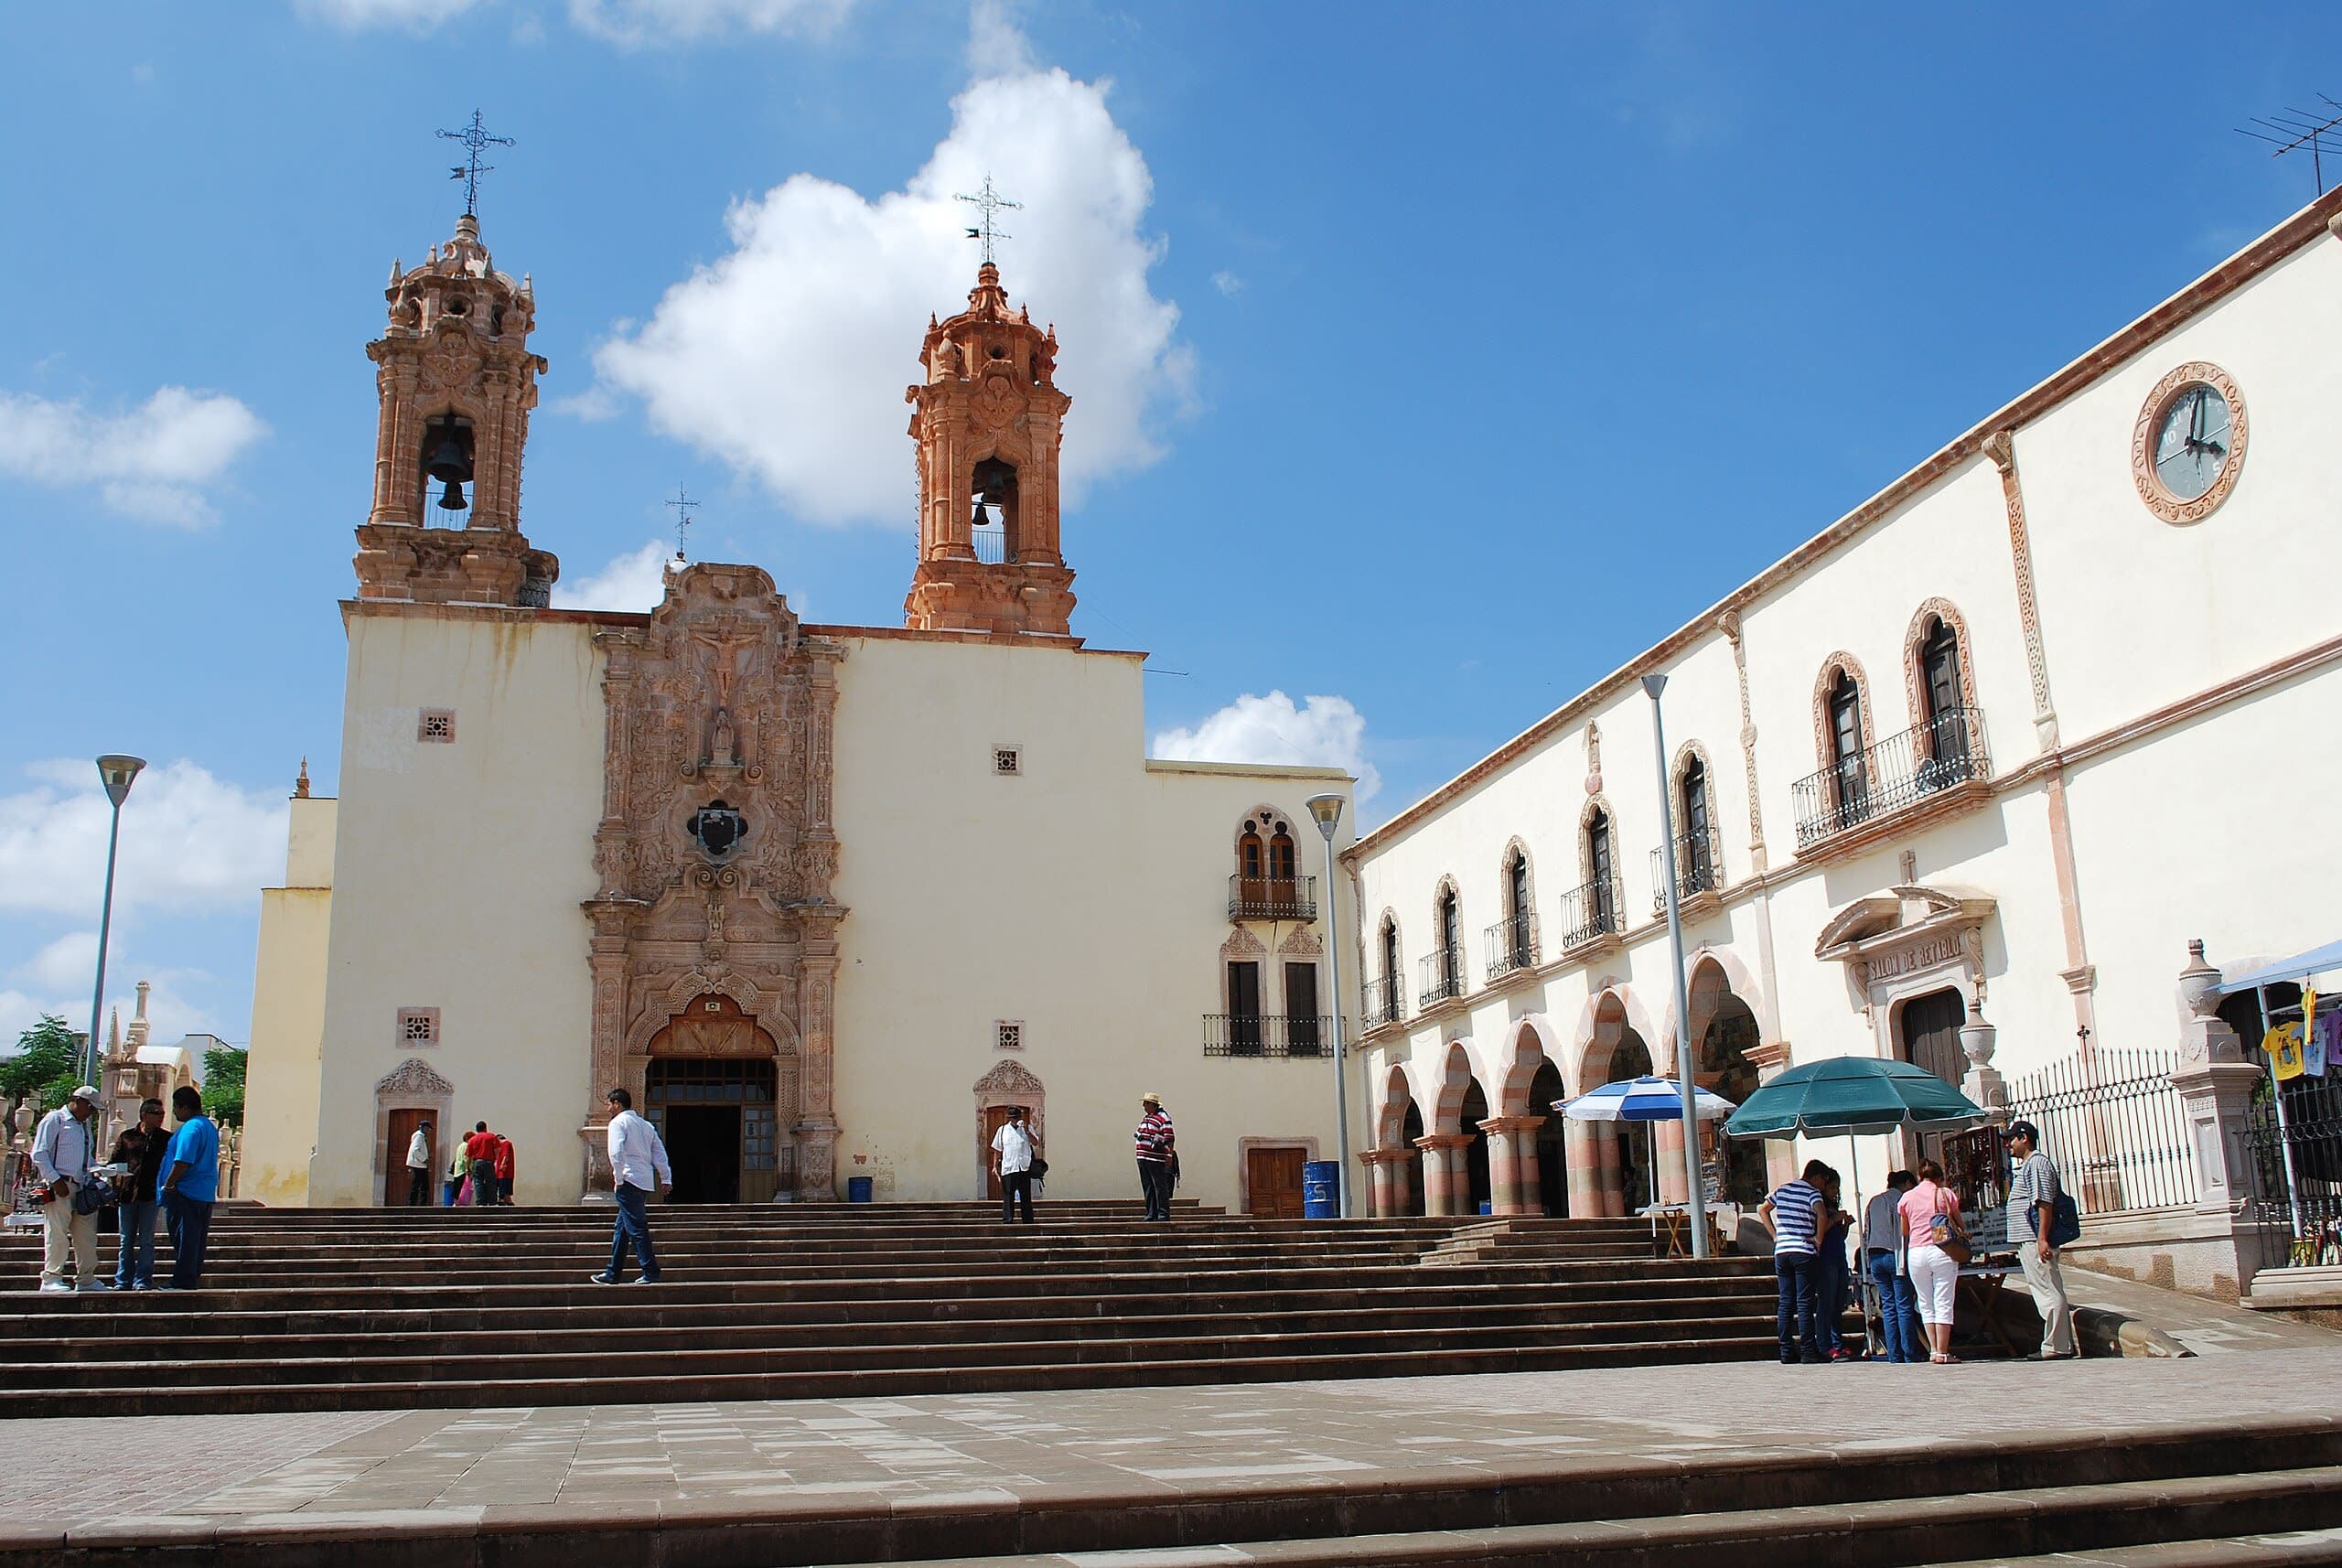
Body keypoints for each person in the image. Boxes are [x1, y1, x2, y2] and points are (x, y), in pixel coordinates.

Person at [2007, 1121, 2078, 1359]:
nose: (2009, 1144)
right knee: (2043, 1288)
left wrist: (2042, 1238)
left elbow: (2043, 1202)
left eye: (2012, 1139)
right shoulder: (2027, 1165)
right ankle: (2057, 1342)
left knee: (2047, 1289)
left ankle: (2056, 1345)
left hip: (2033, 1237)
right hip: (2027, 1238)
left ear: (2024, 1138)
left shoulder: (2037, 1163)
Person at [31, 1084, 107, 1294]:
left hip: (82, 1186)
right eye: (90, 1108)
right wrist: (56, 1180)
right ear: (79, 1101)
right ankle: (52, 1277)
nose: (91, 1114)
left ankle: (86, 1278)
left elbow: (86, 1158)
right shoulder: (55, 1119)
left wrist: (100, 1172)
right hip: (60, 1185)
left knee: (86, 1236)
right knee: (57, 1233)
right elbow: (39, 1153)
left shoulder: (83, 1127)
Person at [595, 1087, 670, 1284]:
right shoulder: (645, 1125)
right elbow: (659, 1152)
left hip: (628, 1180)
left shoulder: (618, 1123)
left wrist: (618, 1179)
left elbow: (616, 1153)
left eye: (610, 1103)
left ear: (617, 1104)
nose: (608, 1107)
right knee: (622, 1229)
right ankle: (612, 1273)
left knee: (636, 1228)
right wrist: (665, 1177)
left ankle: (651, 1270)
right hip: (643, 1180)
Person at [1899, 1156, 1966, 1365]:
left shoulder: (1907, 1198)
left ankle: (1934, 1350)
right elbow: (1959, 1224)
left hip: (1916, 1252)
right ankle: (1943, 1353)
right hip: (1942, 1249)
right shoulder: (1945, 1194)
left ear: (1919, 1177)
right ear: (1939, 1178)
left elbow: (1905, 1230)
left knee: (1925, 1301)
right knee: (1944, 1300)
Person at [1760, 1159, 1828, 1364]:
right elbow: (1822, 1214)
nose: (1823, 1186)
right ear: (1815, 1177)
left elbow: (1762, 1209)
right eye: (1823, 1181)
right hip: (1803, 1250)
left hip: (1782, 1251)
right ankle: (1808, 1349)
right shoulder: (1812, 1193)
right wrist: (1818, 1239)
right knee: (1805, 1301)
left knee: (1786, 1301)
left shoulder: (1783, 1189)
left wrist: (1774, 1235)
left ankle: (1786, 1350)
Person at [157, 1086, 220, 1291]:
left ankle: (183, 1280)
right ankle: (190, 1277)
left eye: (176, 1107)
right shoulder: (208, 1127)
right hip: (204, 1191)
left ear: (184, 1107)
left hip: (186, 1191)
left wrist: (169, 1184)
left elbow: (183, 1160)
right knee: (195, 1238)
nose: (175, 1113)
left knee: (184, 1238)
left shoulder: (191, 1128)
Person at [111, 1099, 170, 1291]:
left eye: (163, 1113)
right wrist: (115, 1186)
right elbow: (114, 1162)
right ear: (145, 1114)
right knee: (125, 1240)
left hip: (151, 1195)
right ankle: (123, 1280)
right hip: (128, 1194)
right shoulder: (127, 1136)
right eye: (157, 1113)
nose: (161, 1117)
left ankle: (143, 1279)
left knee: (147, 1240)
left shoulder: (166, 1139)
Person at [1863, 1170, 1921, 1364]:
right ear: (1906, 1183)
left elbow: (1866, 1230)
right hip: (1894, 1254)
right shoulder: (1903, 1200)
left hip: (1875, 1255)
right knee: (1903, 1305)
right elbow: (1904, 1232)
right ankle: (1909, 1353)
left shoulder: (1874, 1201)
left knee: (1888, 1306)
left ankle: (1894, 1355)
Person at [1815, 1167, 1857, 1361]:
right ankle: (1825, 1344)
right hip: (1825, 1259)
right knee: (1827, 1302)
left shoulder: (1832, 1206)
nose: (1835, 1192)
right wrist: (1834, 1218)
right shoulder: (1819, 1206)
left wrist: (1845, 1224)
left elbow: (1840, 1235)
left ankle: (1837, 1342)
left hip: (1839, 1256)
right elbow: (1820, 1230)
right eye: (1832, 1188)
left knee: (1838, 1303)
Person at [1133, 1092, 1176, 1222]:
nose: (1144, 1106)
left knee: (1159, 1186)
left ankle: (1163, 1213)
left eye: (1146, 1103)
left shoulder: (1163, 1117)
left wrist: (1169, 1154)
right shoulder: (1147, 1117)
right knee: (1148, 1186)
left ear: (1153, 1105)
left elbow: (1169, 1137)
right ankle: (1151, 1213)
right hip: (1143, 1157)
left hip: (1155, 1158)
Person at [992, 1105, 1037, 1224]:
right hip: (1009, 1166)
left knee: (1025, 1195)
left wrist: (1027, 1132)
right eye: (1014, 1118)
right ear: (1009, 1119)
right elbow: (997, 1149)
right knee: (1008, 1195)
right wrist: (994, 1166)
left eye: (1018, 1117)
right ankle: (1008, 1218)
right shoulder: (1002, 1130)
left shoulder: (1027, 1128)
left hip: (1023, 1167)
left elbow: (1035, 1142)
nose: (1016, 1120)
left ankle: (1027, 1220)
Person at [464, 1122, 500, 1206]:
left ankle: (481, 1202)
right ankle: (492, 1202)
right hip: (488, 1162)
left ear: (476, 1129)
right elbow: (497, 1150)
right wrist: (495, 1160)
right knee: (491, 1182)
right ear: (485, 1128)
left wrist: (467, 1168)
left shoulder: (472, 1139)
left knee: (478, 1182)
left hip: (477, 1162)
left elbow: (468, 1157)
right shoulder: (492, 1137)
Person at [404, 1121, 434, 1207]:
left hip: (420, 1165)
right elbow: (415, 1150)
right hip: (418, 1165)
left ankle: (421, 1204)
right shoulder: (419, 1136)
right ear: (423, 1128)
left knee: (423, 1185)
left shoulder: (422, 1136)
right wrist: (424, 1159)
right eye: (427, 1128)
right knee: (418, 1185)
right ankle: (413, 1203)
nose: (428, 1131)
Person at [494, 1133, 516, 1207]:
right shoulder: (508, 1144)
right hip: (507, 1170)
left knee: (503, 1183)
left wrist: (502, 1165)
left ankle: (502, 1199)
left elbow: (505, 1155)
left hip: (503, 1170)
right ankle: (508, 1200)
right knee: (507, 1185)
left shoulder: (505, 1143)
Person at [443, 1143, 466, 1207]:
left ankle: (455, 1202)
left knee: (457, 1187)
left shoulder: (460, 1146)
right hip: (462, 1170)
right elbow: (465, 1158)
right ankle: (460, 1202)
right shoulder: (465, 1146)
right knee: (461, 1187)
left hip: (457, 1170)